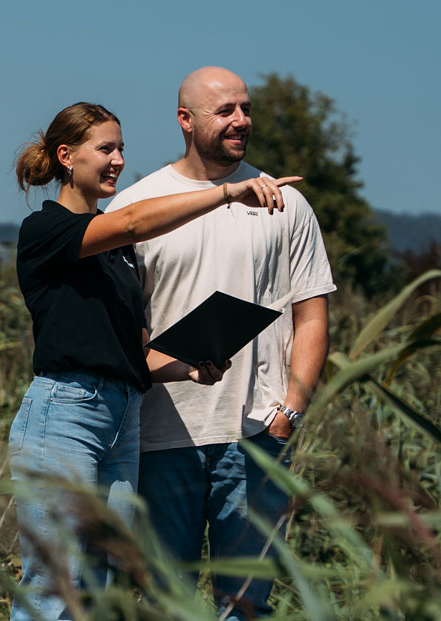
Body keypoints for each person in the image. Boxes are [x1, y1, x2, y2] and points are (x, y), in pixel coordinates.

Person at [9, 101, 301, 621]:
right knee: (59, 577)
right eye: (106, 149)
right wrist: (229, 192)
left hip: (124, 417)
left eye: (122, 148)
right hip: (67, 412)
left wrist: (187, 365)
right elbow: (138, 221)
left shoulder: (117, 257)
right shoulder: (47, 230)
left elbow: (130, 355)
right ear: (66, 156)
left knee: (106, 580)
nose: (118, 160)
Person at [105, 67, 335, 618]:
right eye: (225, 111)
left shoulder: (287, 204)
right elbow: (118, 333)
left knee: (247, 606)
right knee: (168, 601)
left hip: (256, 436)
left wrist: (291, 413)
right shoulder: (135, 208)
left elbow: (312, 317)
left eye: (246, 108)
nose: (241, 121)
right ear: (185, 120)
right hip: (162, 436)